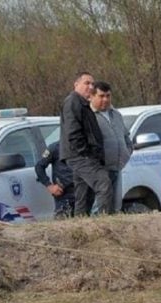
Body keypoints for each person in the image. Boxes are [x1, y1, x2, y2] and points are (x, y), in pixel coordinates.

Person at [59, 71, 112, 215]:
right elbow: (73, 131)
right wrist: (86, 153)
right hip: (79, 155)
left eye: (92, 84)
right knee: (103, 183)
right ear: (76, 84)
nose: (90, 86)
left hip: (81, 155)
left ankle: (81, 225)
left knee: (84, 194)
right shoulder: (73, 101)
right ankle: (105, 221)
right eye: (86, 83)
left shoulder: (84, 104)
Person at [91, 81, 132, 211]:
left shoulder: (116, 114)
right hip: (100, 169)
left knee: (115, 206)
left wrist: (127, 152)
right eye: (101, 96)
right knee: (100, 206)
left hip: (117, 167)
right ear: (92, 96)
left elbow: (126, 137)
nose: (105, 99)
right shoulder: (89, 116)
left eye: (108, 96)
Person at [35, 141, 75, 218]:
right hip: (64, 194)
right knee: (62, 223)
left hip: (83, 193)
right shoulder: (55, 147)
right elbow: (39, 166)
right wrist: (49, 186)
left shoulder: (84, 146)